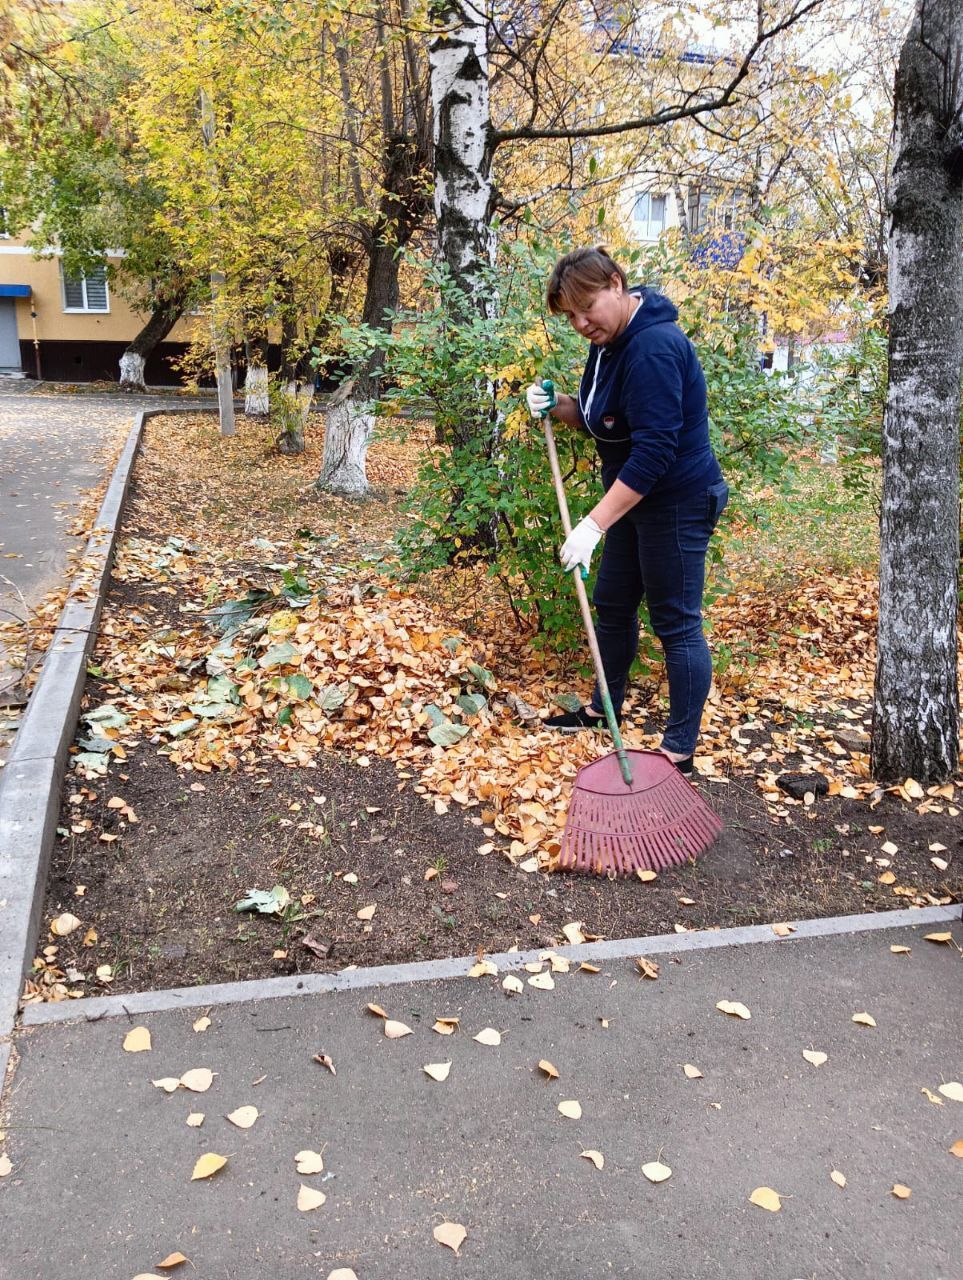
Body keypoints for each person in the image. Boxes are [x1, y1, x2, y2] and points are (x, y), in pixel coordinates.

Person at [526, 245, 728, 774]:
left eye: (585, 307)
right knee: (613, 605)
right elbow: (606, 420)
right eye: (569, 316)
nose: (579, 323)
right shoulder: (612, 343)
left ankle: (678, 750)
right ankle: (602, 708)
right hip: (635, 501)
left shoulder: (654, 348)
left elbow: (655, 451)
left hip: (676, 501)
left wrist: (593, 524)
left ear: (616, 283)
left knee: (676, 622)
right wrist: (559, 405)